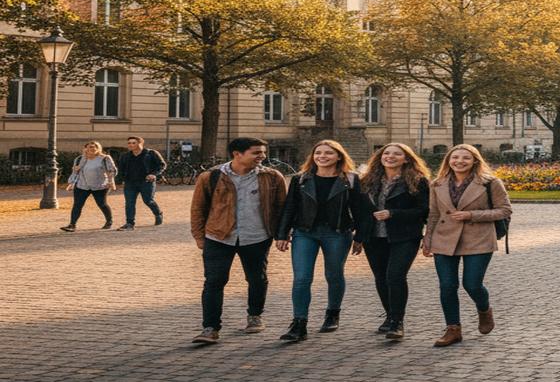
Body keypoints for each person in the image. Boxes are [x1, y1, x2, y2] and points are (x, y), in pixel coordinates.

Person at [189, 137, 287, 345]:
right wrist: (199, 236)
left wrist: (282, 234)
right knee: (214, 282)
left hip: (257, 237)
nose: (262, 157)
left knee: (257, 279)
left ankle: (255, 316)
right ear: (237, 154)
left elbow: (282, 208)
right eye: (256, 153)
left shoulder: (272, 177)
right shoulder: (211, 177)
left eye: (263, 152)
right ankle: (210, 328)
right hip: (218, 236)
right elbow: (198, 208)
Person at [275, 140, 370, 343]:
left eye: (328, 153)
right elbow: (289, 207)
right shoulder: (301, 179)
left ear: (339, 156)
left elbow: (361, 211)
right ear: (313, 156)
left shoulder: (350, 180)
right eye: (318, 152)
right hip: (304, 232)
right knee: (301, 278)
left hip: (337, 233)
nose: (322, 156)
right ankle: (299, 323)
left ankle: (332, 313)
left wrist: (360, 237)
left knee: (334, 274)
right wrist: (282, 234)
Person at [422, 144, 512, 348]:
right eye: (455, 157)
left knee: (472, 284)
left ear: (475, 161)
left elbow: (504, 210)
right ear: (448, 160)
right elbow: (434, 213)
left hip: (478, 238)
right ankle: (453, 329)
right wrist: (427, 238)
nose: (459, 161)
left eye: (465, 158)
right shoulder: (438, 184)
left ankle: (484, 310)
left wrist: (472, 215)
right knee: (447, 285)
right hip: (444, 238)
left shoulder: (490, 183)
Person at [361, 142, 431, 340]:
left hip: (404, 236)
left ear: (406, 158)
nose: (390, 157)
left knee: (395, 276)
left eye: (396, 154)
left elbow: (423, 210)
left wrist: (393, 213)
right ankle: (390, 316)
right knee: (381, 278)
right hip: (374, 237)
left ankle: (397, 322)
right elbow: (360, 209)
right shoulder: (367, 180)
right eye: (386, 153)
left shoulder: (418, 181)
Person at [61, 141, 116, 231]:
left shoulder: (104, 158)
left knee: (102, 204)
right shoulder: (79, 159)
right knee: (77, 205)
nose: (92, 148)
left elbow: (112, 171)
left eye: (95, 147)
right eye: (90, 147)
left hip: (100, 186)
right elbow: (75, 172)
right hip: (82, 185)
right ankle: (72, 225)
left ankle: (109, 222)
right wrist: (71, 183)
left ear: (99, 149)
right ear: (85, 148)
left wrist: (111, 182)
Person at [116, 136, 166, 229]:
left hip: (146, 182)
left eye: (133, 143)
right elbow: (121, 170)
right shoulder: (125, 156)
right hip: (130, 183)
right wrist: (120, 181)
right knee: (129, 203)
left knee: (148, 201)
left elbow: (162, 165)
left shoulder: (151, 153)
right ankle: (130, 223)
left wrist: (153, 174)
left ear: (140, 143)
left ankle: (158, 213)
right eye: (129, 143)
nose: (131, 145)